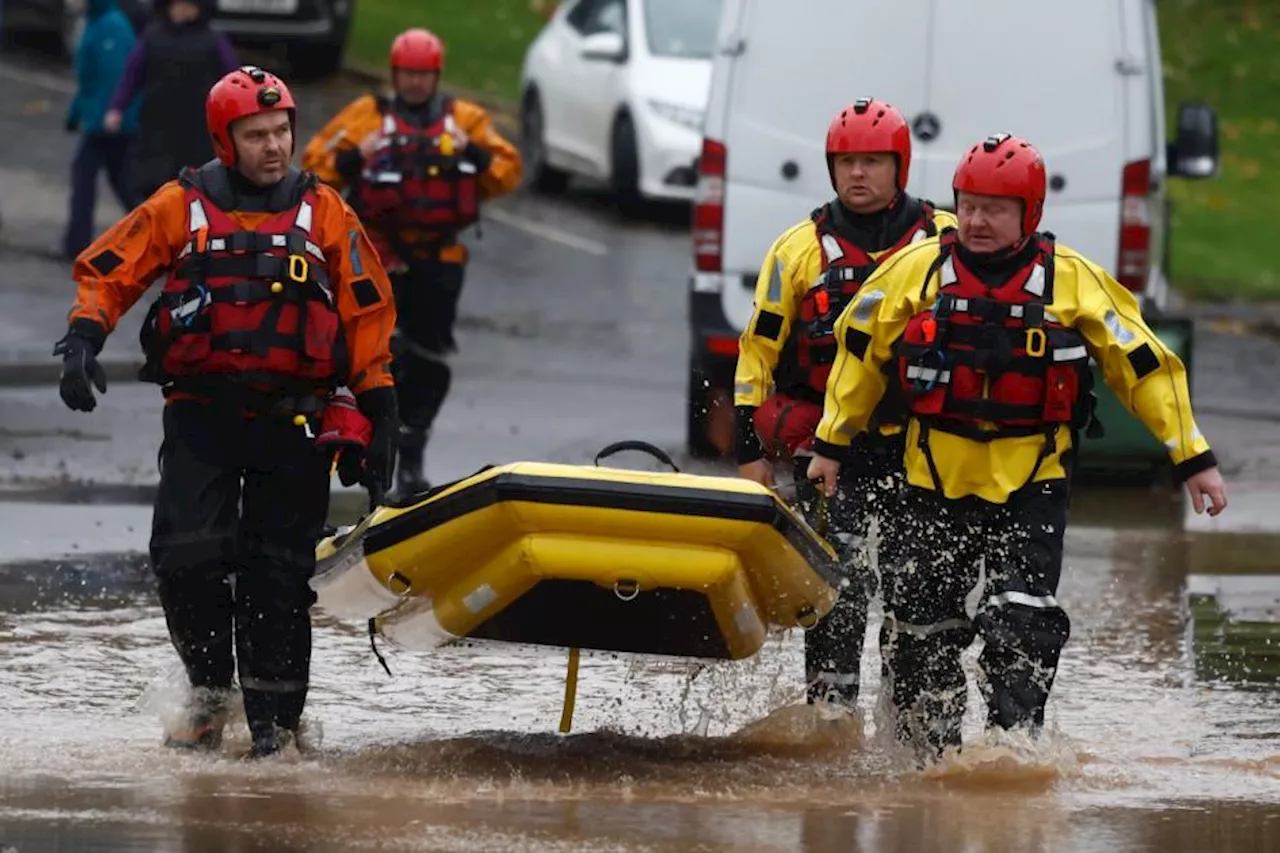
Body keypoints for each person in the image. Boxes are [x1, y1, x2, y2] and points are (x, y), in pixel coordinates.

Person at [806, 132, 1229, 760]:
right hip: (932, 480)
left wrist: (1192, 458)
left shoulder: (1072, 281)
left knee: (1023, 621)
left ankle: (1012, 753)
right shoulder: (916, 271)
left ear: (1029, 213)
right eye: (968, 205)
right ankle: (926, 762)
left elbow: (1142, 364)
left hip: (1032, 482)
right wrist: (830, 444)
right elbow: (859, 350)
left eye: (994, 208)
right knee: (921, 629)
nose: (976, 220)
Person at [52, 65, 399, 758]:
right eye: (257, 134)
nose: (275, 146)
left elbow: (367, 310)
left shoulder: (325, 210)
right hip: (201, 416)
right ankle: (210, 699)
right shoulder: (181, 205)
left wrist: (379, 413)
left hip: (294, 424)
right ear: (225, 138)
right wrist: (84, 336)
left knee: (278, 574)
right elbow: (111, 269)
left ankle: (276, 730)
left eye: (282, 131)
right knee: (187, 560)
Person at [732, 98, 956, 711]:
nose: (858, 174)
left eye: (873, 162)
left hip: (921, 447)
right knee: (838, 589)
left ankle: (914, 722)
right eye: (847, 162)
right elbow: (757, 353)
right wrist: (751, 457)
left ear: (900, 166)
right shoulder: (797, 249)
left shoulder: (945, 240)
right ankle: (829, 721)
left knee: (923, 589)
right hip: (827, 450)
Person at [301, 27, 522, 495]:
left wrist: (474, 153)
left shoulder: (464, 120)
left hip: (439, 257)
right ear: (395, 74)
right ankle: (368, 446)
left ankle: (413, 447)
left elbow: (507, 170)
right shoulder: (367, 117)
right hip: (379, 253)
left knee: (429, 359)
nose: (416, 83)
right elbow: (316, 163)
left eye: (424, 75)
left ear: (436, 76)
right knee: (373, 352)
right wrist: (351, 161)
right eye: (408, 74)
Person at [102, 0, 238, 202]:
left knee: (195, 190)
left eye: (188, 5)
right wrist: (116, 108)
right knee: (153, 187)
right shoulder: (152, 37)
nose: (182, 10)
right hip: (156, 128)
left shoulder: (213, 41)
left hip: (197, 130)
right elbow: (132, 76)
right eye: (177, 5)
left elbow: (232, 80)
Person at [62, 0, 140, 260]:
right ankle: (159, 235)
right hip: (104, 121)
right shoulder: (97, 22)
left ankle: (77, 243)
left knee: (87, 178)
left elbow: (115, 80)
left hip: (110, 124)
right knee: (123, 183)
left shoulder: (110, 26)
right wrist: (76, 114)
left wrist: (105, 118)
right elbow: (89, 81)